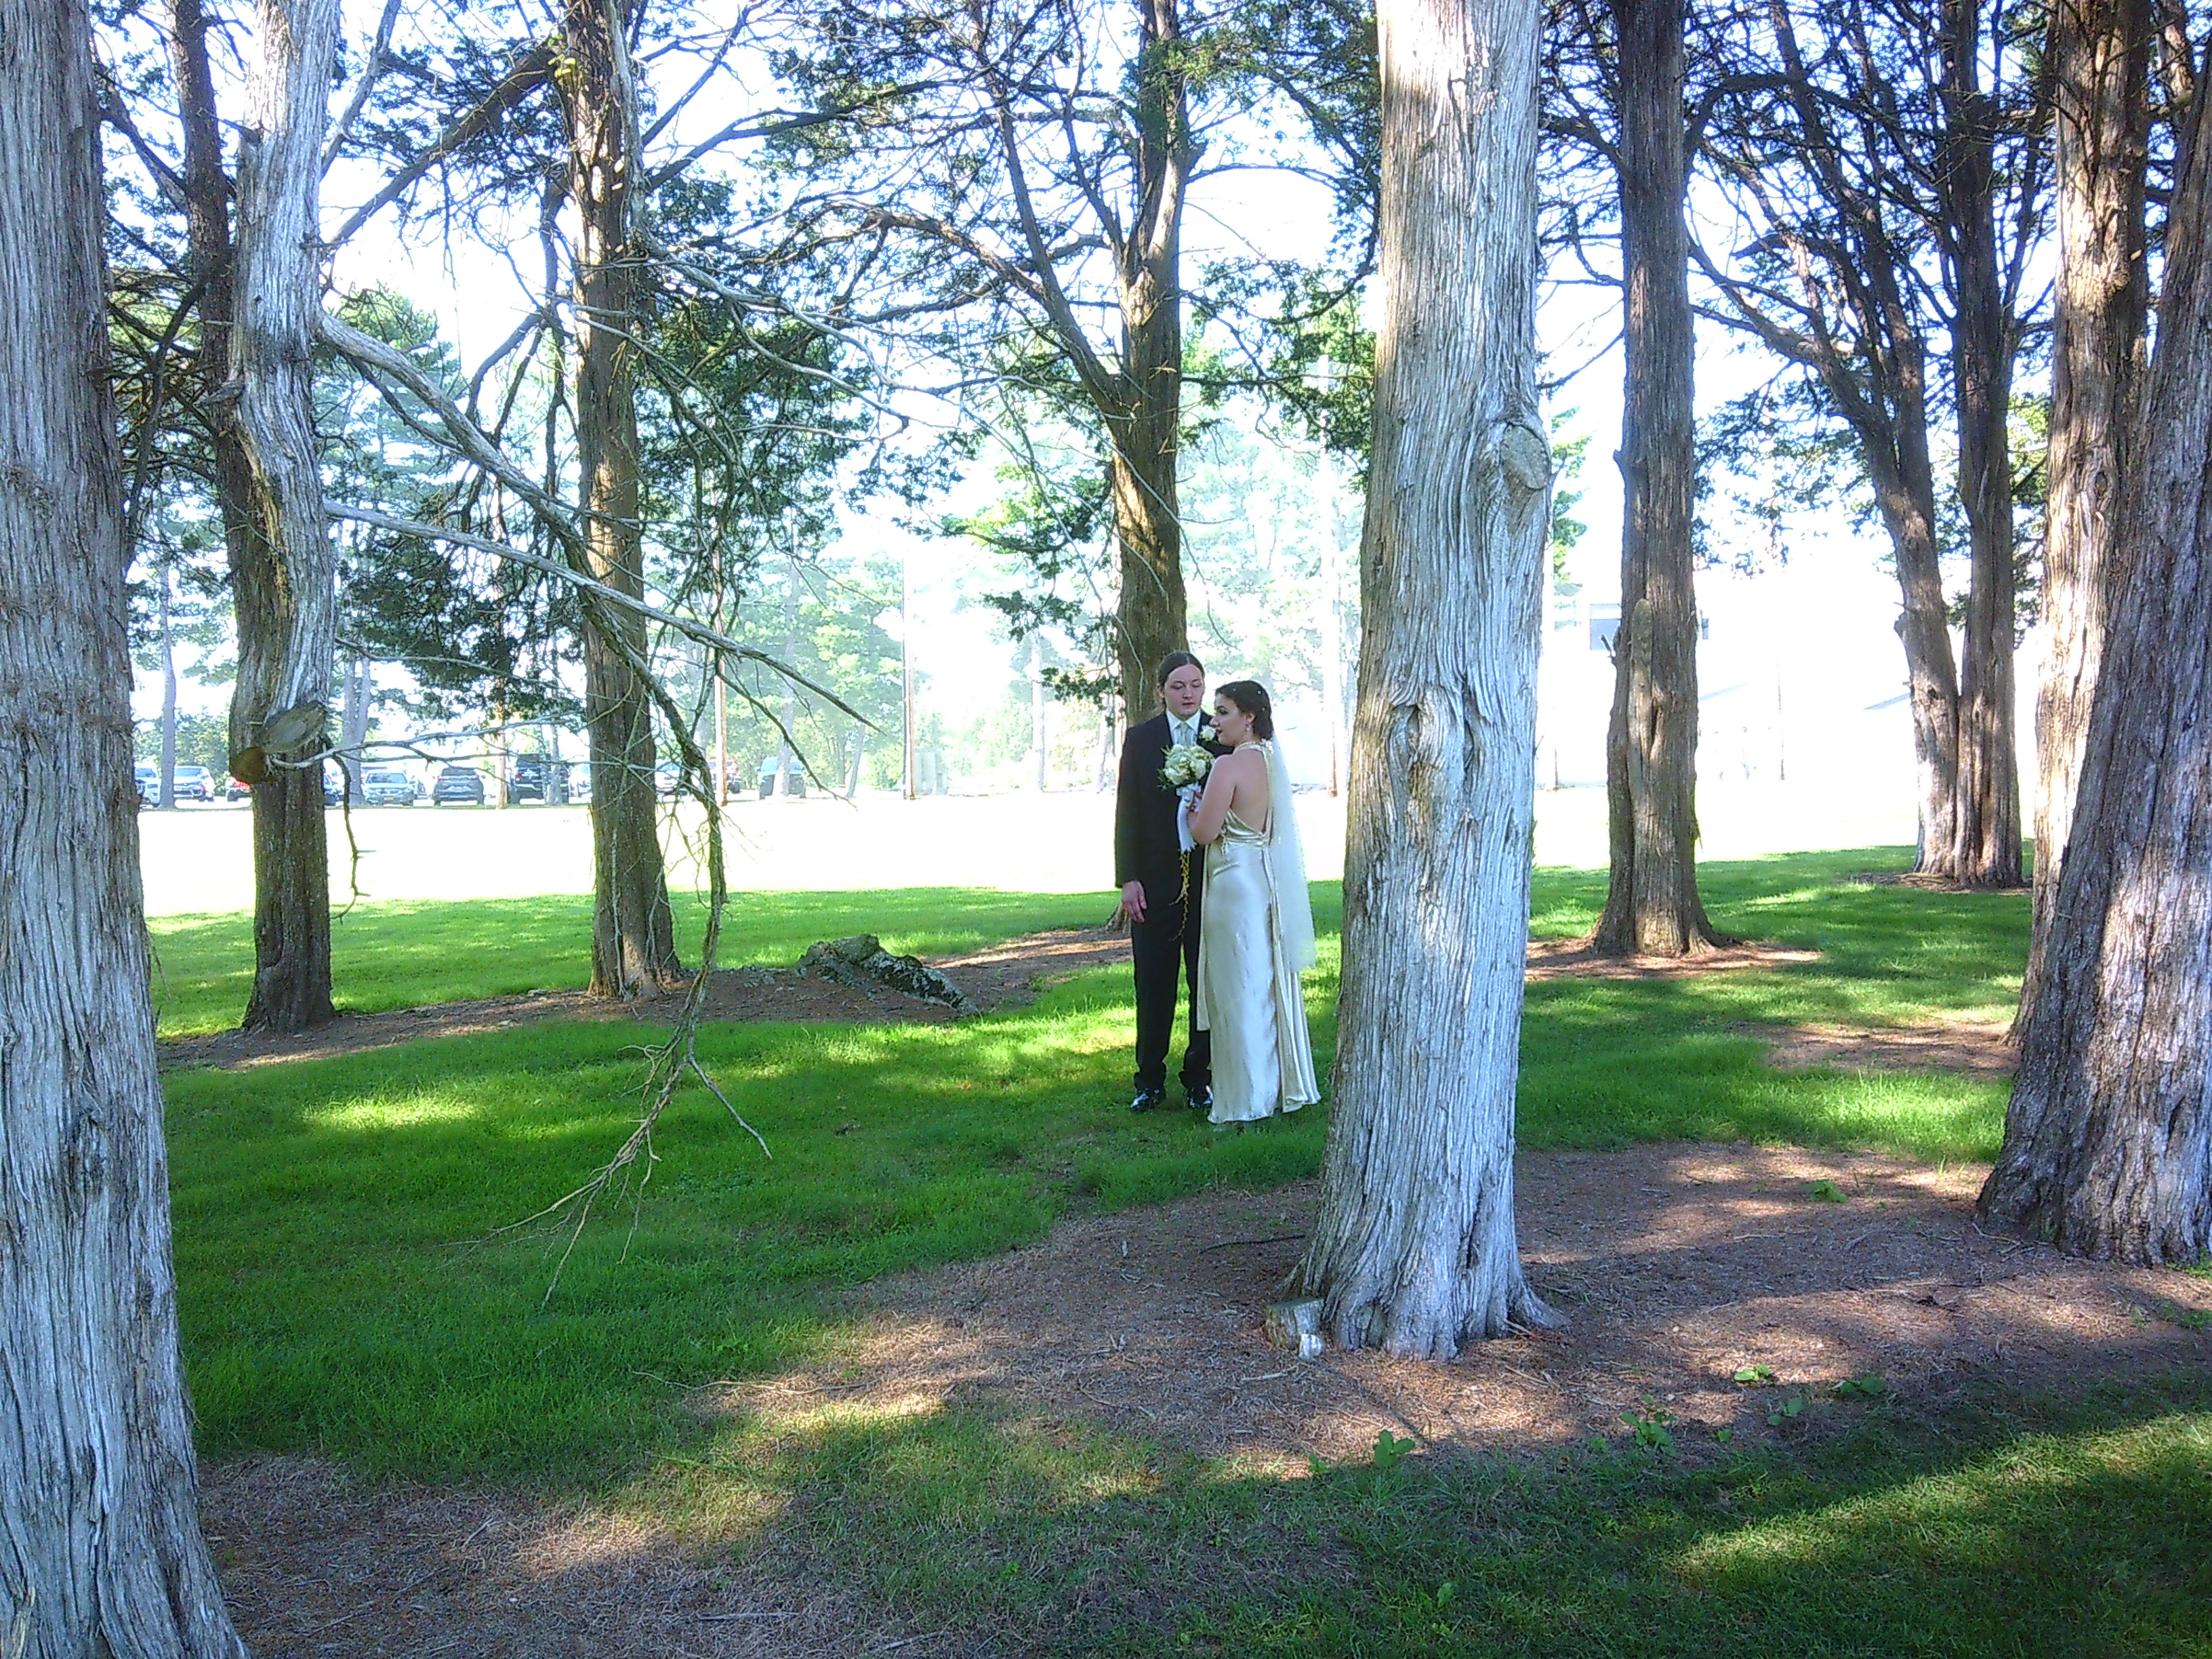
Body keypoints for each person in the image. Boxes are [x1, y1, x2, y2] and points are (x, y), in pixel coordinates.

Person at [1184, 680, 1319, 1126]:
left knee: (1236, 989)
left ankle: (1246, 1097)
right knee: (1261, 982)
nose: (1215, 721)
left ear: (1248, 717)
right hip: (1262, 879)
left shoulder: (1228, 766)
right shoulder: (1271, 762)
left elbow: (1205, 833)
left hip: (1230, 882)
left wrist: (1193, 812)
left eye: (1223, 712)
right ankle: (1276, 1086)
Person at [1113, 652, 1219, 1112]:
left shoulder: (1222, 736)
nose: (1188, 693)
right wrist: (1128, 879)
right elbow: (1128, 812)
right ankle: (1149, 1081)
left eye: (1195, 684)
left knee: (1206, 984)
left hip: (1211, 883)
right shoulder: (1141, 739)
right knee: (1153, 983)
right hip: (1154, 885)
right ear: (1160, 690)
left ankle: (1199, 1079)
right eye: (1178, 686)